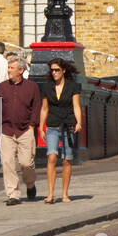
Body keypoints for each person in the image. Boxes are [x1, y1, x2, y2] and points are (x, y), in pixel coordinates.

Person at [0, 57, 42, 206]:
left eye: (11, 68)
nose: (8, 71)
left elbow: (36, 107)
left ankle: (30, 184)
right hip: (7, 130)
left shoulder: (32, 87)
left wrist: (32, 126)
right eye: (8, 68)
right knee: (7, 162)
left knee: (26, 163)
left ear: (21, 70)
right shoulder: (2, 87)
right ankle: (13, 194)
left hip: (25, 130)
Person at [40, 59, 82, 204]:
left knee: (66, 160)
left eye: (57, 70)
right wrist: (41, 127)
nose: (54, 73)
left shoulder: (73, 87)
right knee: (51, 157)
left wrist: (79, 122)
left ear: (63, 70)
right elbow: (44, 108)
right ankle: (50, 194)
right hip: (52, 125)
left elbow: (76, 106)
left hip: (68, 125)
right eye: (52, 70)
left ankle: (64, 194)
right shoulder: (47, 87)